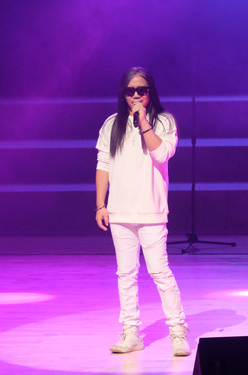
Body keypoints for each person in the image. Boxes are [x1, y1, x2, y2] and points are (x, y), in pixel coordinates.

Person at [95, 67, 190, 357]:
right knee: (126, 274)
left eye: (141, 90)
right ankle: (131, 332)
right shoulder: (111, 124)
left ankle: (177, 331)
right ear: (123, 93)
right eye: (130, 91)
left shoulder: (164, 121)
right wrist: (101, 204)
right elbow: (103, 164)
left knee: (160, 272)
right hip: (120, 211)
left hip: (151, 212)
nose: (136, 95)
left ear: (150, 92)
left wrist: (144, 121)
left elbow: (161, 154)